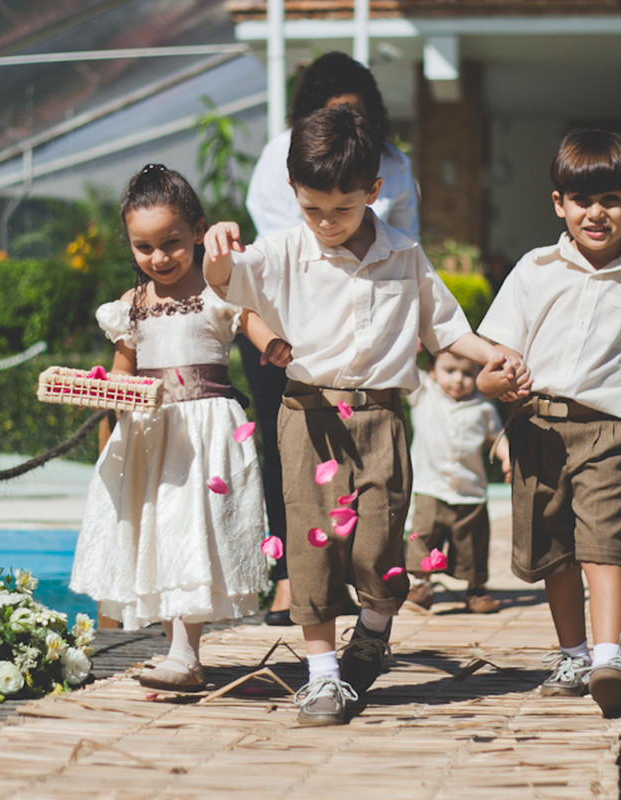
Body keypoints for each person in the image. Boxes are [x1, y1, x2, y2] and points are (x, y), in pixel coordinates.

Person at [204, 106, 530, 726]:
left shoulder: (404, 254)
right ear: (294, 195)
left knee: (380, 539)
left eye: (342, 208)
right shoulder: (281, 250)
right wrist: (217, 248)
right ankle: (323, 678)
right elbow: (227, 282)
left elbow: (445, 329)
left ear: (374, 192)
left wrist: (496, 353)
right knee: (311, 542)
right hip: (307, 415)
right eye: (312, 208)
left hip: (380, 416)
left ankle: (374, 633)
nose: (326, 222)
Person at [476, 129, 621, 715]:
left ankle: (608, 658)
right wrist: (499, 404)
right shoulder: (534, 270)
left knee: (603, 545)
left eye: (612, 199)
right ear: (559, 203)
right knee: (554, 552)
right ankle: (572, 654)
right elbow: (493, 365)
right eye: (582, 200)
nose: (597, 214)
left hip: (610, 433)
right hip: (538, 429)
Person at [69, 164, 291, 691]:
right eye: (144, 247)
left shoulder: (217, 291)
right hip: (151, 433)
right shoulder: (131, 305)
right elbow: (123, 367)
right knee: (161, 533)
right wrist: (111, 395)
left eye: (171, 242)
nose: (158, 258)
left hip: (207, 432)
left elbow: (250, 321)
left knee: (194, 530)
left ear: (197, 230)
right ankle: (180, 649)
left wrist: (274, 347)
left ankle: (185, 651)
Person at [244, 51, 421, 626]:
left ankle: (362, 573)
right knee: (291, 458)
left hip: (368, 335)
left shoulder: (395, 166)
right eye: (335, 113)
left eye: (359, 113)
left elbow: (404, 244)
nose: (350, 124)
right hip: (291, 329)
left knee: (372, 455)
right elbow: (283, 248)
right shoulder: (280, 154)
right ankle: (294, 577)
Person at [404, 351, 510, 614]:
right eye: (449, 370)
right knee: (423, 536)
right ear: (431, 370)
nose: (458, 379)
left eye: (467, 373)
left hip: (469, 489)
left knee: (472, 542)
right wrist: (413, 347)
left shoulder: (483, 406)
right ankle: (420, 586)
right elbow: (403, 365)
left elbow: (495, 437)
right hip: (430, 487)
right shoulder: (423, 394)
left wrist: (508, 458)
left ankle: (476, 590)